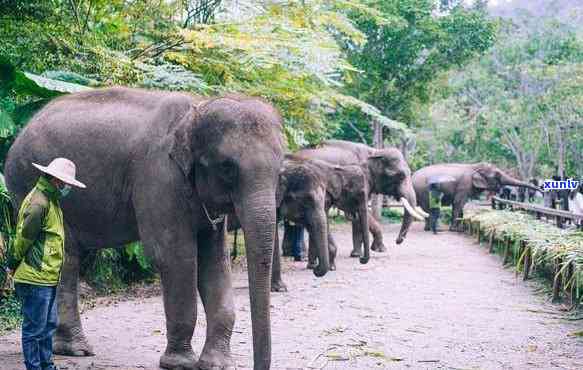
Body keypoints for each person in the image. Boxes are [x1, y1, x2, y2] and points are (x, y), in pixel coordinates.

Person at [7, 158, 86, 370]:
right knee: (34, 330)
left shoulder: (51, 201)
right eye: (65, 183)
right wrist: (12, 263)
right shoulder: (39, 203)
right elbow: (23, 238)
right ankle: (34, 367)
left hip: (48, 278)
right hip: (34, 278)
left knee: (48, 327)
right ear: (56, 180)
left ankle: (46, 366)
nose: (67, 187)